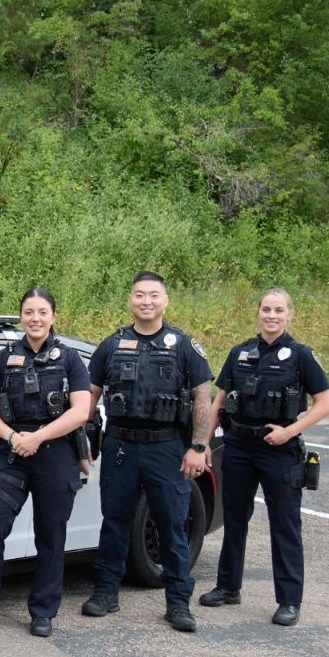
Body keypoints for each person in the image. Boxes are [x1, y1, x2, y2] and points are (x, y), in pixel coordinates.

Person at [81, 271, 213, 633]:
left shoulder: (183, 345)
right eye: (139, 295)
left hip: (167, 447)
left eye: (153, 295)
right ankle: (106, 593)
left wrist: (198, 447)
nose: (146, 301)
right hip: (121, 444)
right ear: (130, 300)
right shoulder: (111, 344)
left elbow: (203, 398)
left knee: (172, 523)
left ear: (165, 300)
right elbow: (88, 398)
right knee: (114, 520)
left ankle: (178, 602)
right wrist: (84, 439)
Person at [198, 288, 329, 626]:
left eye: (278, 310)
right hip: (240, 446)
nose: (271, 316)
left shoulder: (301, 355)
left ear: (290, 314)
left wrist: (290, 431)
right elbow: (218, 401)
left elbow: (325, 403)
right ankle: (228, 587)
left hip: (280, 450)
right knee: (234, 518)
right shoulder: (240, 352)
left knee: (284, 524)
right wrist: (203, 443)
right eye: (266, 310)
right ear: (257, 313)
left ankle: (289, 600)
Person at [0, 289, 92, 638]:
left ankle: (43, 613)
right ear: (21, 315)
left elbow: (82, 410)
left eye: (42, 311)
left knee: (50, 536)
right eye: (29, 312)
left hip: (55, 454)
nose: (35, 318)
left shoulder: (69, 359)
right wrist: (11, 437)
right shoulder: (5, 356)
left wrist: (39, 437)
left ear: (53, 316)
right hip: (11, 453)